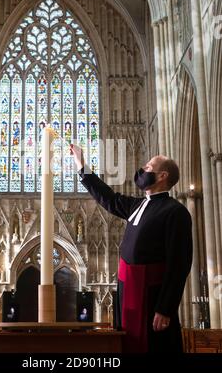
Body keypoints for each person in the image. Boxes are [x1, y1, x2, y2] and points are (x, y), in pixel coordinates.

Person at [70, 144, 192, 353]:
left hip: (151, 295)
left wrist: (165, 308)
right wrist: (82, 166)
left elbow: (179, 264)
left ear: (162, 175)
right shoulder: (137, 205)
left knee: (154, 347)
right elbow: (107, 198)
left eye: (147, 167)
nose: (142, 170)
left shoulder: (175, 212)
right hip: (127, 290)